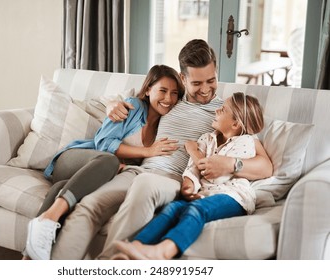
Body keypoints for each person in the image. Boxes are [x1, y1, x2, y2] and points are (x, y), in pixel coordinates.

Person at [48, 39, 272, 260]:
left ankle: (110, 264)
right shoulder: (170, 99)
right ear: (183, 79)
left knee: (145, 184)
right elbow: (134, 100)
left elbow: (264, 164)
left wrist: (233, 164)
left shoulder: (226, 113)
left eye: (211, 81)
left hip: (174, 179)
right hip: (139, 171)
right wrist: (111, 106)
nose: (205, 90)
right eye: (196, 84)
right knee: (90, 205)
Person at [24, 64, 184, 260]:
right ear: (149, 89)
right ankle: (47, 221)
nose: (169, 98)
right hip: (76, 159)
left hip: (96, 176)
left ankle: (32, 255)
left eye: (174, 93)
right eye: (163, 90)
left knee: (61, 189)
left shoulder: (166, 123)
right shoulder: (131, 107)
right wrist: (146, 151)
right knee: (109, 160)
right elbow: (104, 143)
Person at [112, 92, 264, 259]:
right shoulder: (207, 138)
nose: (216, 110)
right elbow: (193, 168)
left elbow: (216, 175)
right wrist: (188, 184)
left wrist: (193, 151)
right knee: (173, 208)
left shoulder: (245, 142)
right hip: (206, 193)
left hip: (233, 196)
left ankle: (164, 251)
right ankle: (136, 247)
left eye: (223, 110)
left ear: (235, 124)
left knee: (196, 209)